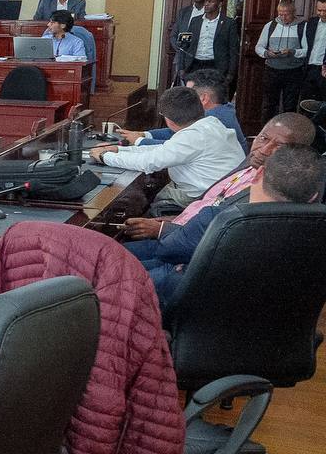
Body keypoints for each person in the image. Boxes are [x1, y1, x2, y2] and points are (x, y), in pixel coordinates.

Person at [129, 145, 324, 306]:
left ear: (258, 174)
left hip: (183, 311)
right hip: (276, 340)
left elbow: (168, 252)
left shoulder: (220, 220)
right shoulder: (316, 242)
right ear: (314, 197)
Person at [122, 112, 316, 242]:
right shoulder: (251, 162)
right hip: (179, 225)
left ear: (297, 153)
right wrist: (169, 221)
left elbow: (222, 235)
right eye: (263, 138)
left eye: (279, 146)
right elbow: (208, 203)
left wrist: (162, 230)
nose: (264, 150)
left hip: (184, 249)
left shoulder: (270, 189)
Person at [89, 86, 246, 211]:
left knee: (145, 199)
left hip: (206, 198)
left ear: (168, 119)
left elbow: (148, 163)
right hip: (227, 194)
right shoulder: (210, 123)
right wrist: (120, 150)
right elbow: (164, 149)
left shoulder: (192, 136)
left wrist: (104, 157)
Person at [118, 68, 247, 153]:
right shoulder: (221, 110)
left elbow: (178, 146)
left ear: (203, 98)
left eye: (188, 92)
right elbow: (178, 131)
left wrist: (139, 141)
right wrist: (144, 134)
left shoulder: (214, 120)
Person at [256, 0, 307, 120]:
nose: (283, 17)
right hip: (272, 70)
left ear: (294, 12)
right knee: (269, 104)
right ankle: (266, 131)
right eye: (280, 14)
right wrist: (267, 53)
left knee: (290, 105)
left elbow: (307, 50)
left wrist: (293, 52)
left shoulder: (302, 27)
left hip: (293, 71)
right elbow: (258, 47)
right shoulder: (270, 26)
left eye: (286, 14)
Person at [177, 0, 240, 88]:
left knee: (212, 95)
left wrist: (231, 73)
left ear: (219, 4)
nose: (206, 4)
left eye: (211, 2)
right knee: (193, 94)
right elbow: (184, 44)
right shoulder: (195, 21)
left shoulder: (228, 23)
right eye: (206, 1)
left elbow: (233, 50)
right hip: (194, 64)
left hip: (215, 65)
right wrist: (181, 67)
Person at [171, 0, 210, 82]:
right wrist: (179, 48)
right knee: (183, 90)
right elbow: (173, 35)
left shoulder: (210, 13)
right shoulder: (184, 12)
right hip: (183, 57)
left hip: (202, 58)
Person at [300, 0, 326, 103]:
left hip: (324, 70)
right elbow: (306, 45)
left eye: (325, 11)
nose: (322, 13)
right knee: (306, 104)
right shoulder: (312, 23)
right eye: (319, 10)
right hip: (309, 69)